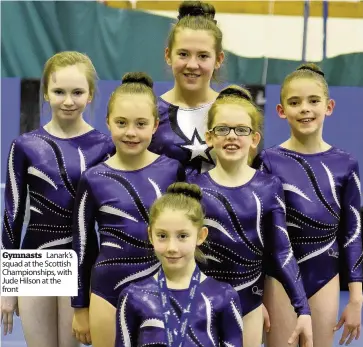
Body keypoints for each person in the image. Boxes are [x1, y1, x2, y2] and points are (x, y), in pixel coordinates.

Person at [1, 51, 114, 347]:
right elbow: (12, 216)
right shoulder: (25, 146)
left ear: (90, 95)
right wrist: (8, 287)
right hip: (35, 259)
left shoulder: (104, 147)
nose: (68, 100)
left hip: (80, 259)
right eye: (59, 92)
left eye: (77, 92)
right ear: (46, 94)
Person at [188, 86, 314, 347]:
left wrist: (303, 309)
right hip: (199, 306)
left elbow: (282, 251)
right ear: (209, 137)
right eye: (222, 129)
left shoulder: (269, 187)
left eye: (241, 130)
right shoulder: (194, 188)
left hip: (249, 308)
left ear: (254, 139)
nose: (231, 136)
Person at [71, 72, 185, 347]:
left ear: (155, 125)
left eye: (140, 124)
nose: (131, 132)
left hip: (162, 286)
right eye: (121, 123)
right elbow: (82, 245)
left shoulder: (171, 171)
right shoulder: (94, 178)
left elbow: (186, 234)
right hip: (106, 290)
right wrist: (79, 306)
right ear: (108, 122)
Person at [253, 63, 363, 347]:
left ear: (329, 106)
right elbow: (260, 232)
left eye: (313, 101)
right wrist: (254, 297)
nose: (305, 108)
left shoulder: (345, 164)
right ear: (281, 111)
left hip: (325, 277)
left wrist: (355, 297)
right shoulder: (269, 161)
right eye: (294, 102)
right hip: (279, 279)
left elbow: (353, 233)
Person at [114, 182, 244, 347]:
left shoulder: (223, 296)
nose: (172, 248)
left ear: (200, 236)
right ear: (150, 235)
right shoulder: (133, 296)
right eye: (162, 235)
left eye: (182, 236)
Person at [149, 0, 224, 173]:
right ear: (168, 55)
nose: (192, 64)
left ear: (218, 60)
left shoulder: (233, 111)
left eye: (203, 56)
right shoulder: (151, 112)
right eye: (183, 54)